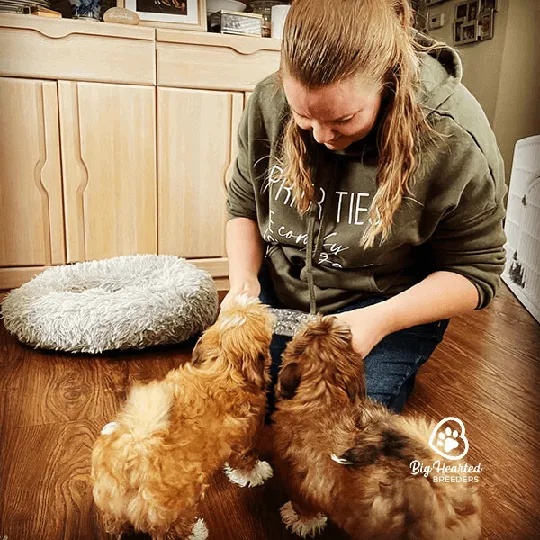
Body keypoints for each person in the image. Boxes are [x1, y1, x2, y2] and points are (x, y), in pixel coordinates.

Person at [223, 0, 506, 414]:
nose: (320, 136)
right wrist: (242, 281)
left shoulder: (453, 136)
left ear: (387, 81)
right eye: (303, 116)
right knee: (237, 399)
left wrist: (381, 320)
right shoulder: (268, 99)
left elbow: (476, 273)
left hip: (387, 303)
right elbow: (243, 205)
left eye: (344, 119)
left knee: (330, 420)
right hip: (281, 289)